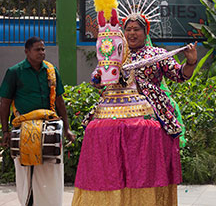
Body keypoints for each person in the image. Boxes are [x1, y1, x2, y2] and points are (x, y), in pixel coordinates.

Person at [72, 13, 197, 206]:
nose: (131, 33)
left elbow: (180, 75)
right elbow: (97, 79)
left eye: (136, 29)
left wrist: (190, 62)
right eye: (128, 29)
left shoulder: (156, 54)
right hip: (113, 109)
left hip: (150, 110)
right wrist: (102, 75)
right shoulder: (115, 53)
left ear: (145, 32)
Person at [0, 36, 75, 206]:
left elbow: (59, 101)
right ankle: (28, 202)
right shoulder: (14, 72)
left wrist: (66, 129)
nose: (42, 52)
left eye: (43, 49)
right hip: (23, 129)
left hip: (49, 127)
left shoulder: (51, 70)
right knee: (26, 171)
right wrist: (5, 131)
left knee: (50, 170)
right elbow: (4, 103)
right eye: (37, 49)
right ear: (27, 52)